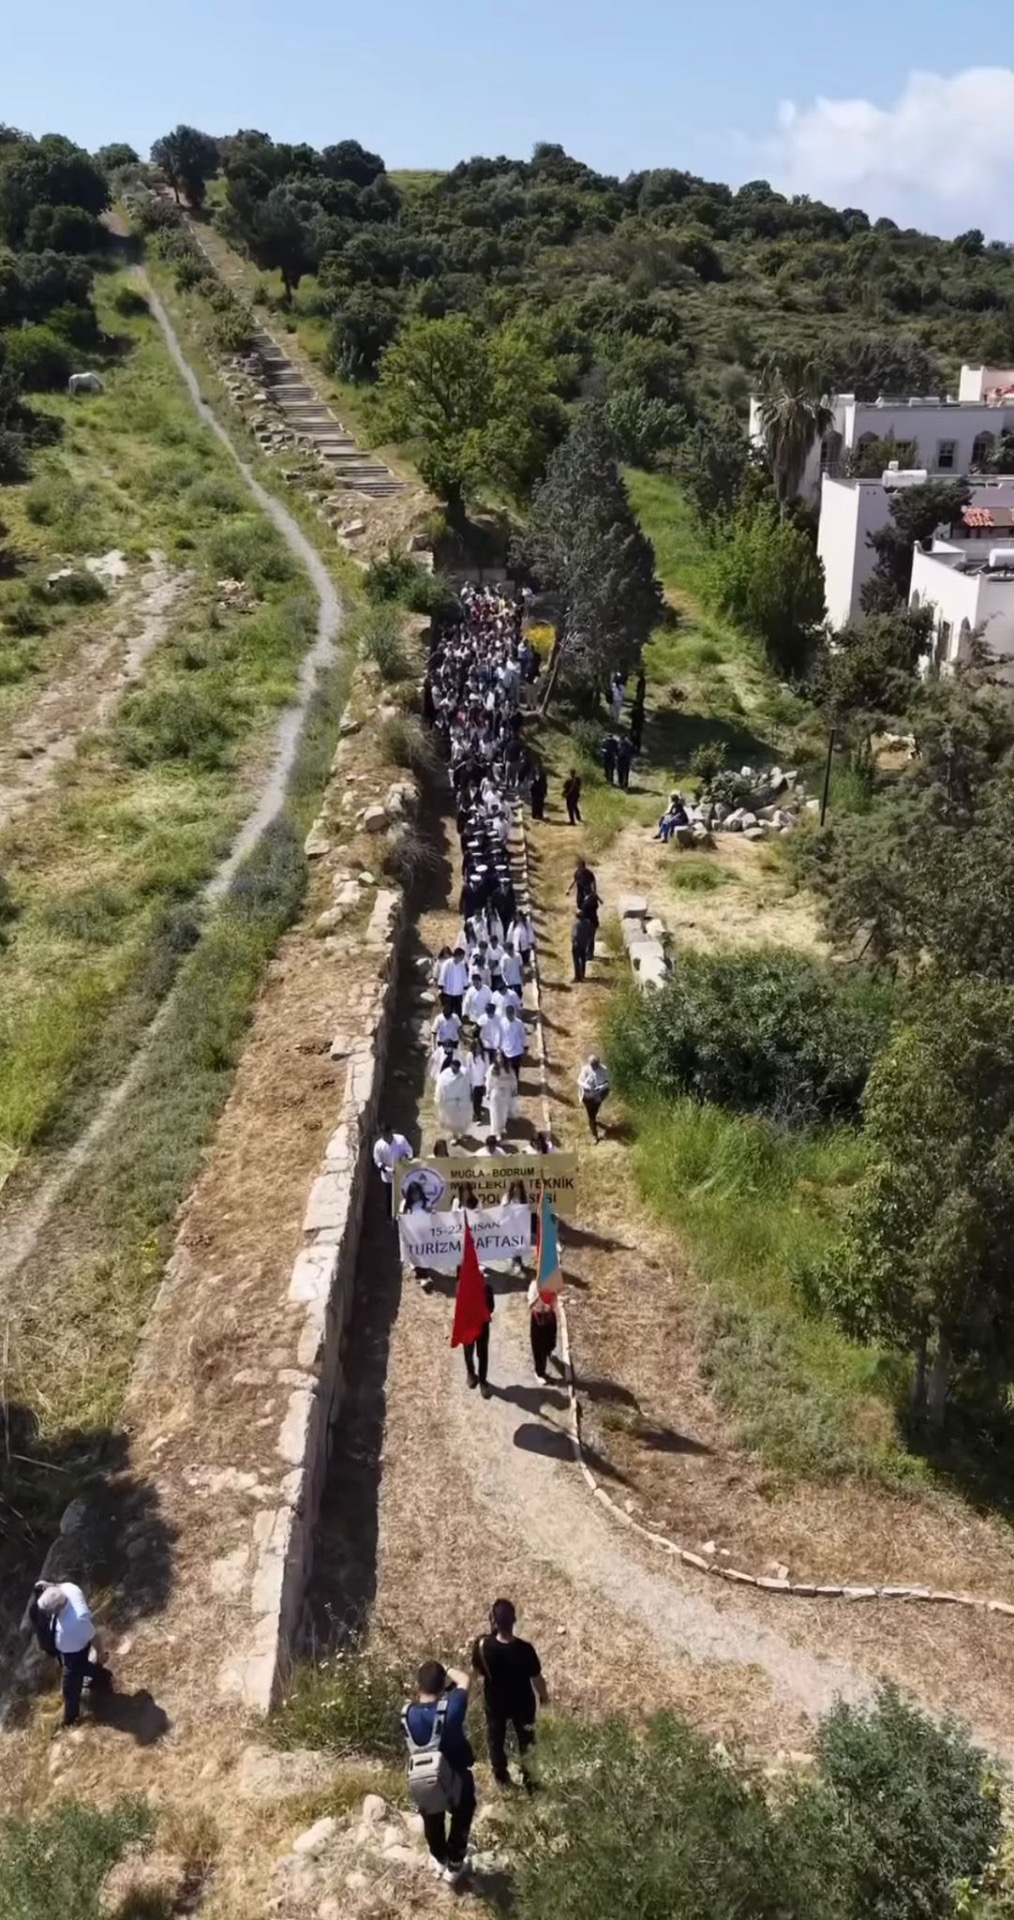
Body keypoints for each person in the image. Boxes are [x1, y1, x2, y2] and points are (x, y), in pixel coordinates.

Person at [403, 1660, 477, 1882]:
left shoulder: (406, 1715)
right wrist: (448, 1668)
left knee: (431, 1818)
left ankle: (439, 1858)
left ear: (418, 1687)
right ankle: (455, 1864)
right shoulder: (451, 1709)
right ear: (442, 1686)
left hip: (423, 1776)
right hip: (456, 1776)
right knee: (463, 1813)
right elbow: (465, 1680)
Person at [471, 1599, 547, 1791]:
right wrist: (544, 1698)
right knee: (527, 1741)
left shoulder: (482, 1647)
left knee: (496, 1739)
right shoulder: (525, 1649)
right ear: (514, 1620)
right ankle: (531, 1781)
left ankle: (502, 1778)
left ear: (494, 1622)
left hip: (496, 1704)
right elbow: (537, 1678)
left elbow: (478, 1672)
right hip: (523, 1704)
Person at [35, 1580, 111, 1730]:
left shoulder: (74, 1623)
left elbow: (93, 1636)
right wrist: (46, 1584)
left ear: (56, 1609)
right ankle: (103, 1676)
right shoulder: (69, 1589)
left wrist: (100, 1653)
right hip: (77, 1640)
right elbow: (56, 1587)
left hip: (75, 1651)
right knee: (81, 1668)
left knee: (70, 1687)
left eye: (48, 1611)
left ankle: (71, 1719)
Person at [463, 1276, 495, 1395]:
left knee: (482, 1354)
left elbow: (491, 1308)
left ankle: (483, 1380)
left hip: (483, 1326)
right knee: (468, 1352)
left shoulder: (487, 1289)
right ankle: (471, 1373)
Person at [436, 1056, 473, 1143]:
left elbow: (466, 1087)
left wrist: (468, 1098)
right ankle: (454, 1136)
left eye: (456, 1068)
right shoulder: (445, 1075)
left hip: (461, 1102)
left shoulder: (463, 1075)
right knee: (452, 1120)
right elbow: (440, 1087)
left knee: (462, 1119)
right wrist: (441, 1099)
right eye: (453, 1068)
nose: (454, 1070)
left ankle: (463, 1133)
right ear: (451, 1066)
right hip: (449, 1102)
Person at [528, 1282, 559, 1382]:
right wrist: (538, 1295)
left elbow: (555, 1302)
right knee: (538, 1347)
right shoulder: (534, 1285)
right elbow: (530, 1305)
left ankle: (548, 1352)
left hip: (549, 1316)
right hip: (538, 1318)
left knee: (550, 1340)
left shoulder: (553, 1283)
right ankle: (539, 1372)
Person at [577, 1055, 610, 1143]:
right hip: (588, 1095)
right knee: (591, 1115)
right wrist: (586, 1085)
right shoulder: (585, 1069)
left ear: (598, 1063)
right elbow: (579, 1081)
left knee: (594, 1111)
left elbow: (607, 1083)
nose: (594, 1067)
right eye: (592, 1065)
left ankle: (594, 1120)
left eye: (595, 1065)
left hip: (599, 1094)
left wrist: (601, 1087)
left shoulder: (603, 1070)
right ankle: (594, 1135)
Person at [486, 1050, 515, 1142]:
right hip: (496, 1093)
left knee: (503, 1113)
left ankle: (501, 1128)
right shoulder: (492, 1069)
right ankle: (495, 1132)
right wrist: (488, 1092)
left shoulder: (508, 1069)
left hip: (506, 1093)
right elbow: (488, 1081)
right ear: (496, 1058)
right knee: (495, 1113)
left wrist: (514, 1089)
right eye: (498, 1057)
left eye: (501, 1057)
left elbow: (513, 1080)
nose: (500, 1059)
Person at [439, 946, 469, 1018]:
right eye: (462, 956)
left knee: (458, 1011)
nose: (462, 958)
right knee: (448, 1010)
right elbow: (443, 975)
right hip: (448, 991)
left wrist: (465, 986)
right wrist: (441, 985)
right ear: (458, 956)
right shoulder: (447, 963)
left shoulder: (461, 965)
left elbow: (464, 976)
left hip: (458, 992)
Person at [571, 909, 594, 983]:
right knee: (583, 961)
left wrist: (574, 941)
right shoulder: (588, 923)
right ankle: (582, 975)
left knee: (576, 961)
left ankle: (577, 977)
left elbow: (575, 935)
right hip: (584, 945)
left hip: (577, 945)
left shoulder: (576, 924)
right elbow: (591, 934)